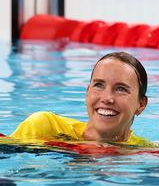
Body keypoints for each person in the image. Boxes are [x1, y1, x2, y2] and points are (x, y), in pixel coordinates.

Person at [10, 51, 150, 145]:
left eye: (121, 89)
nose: (107, 98)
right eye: (99, 85)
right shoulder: (46, 128)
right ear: (87, 92)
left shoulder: (143, 150)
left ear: (141, 104)